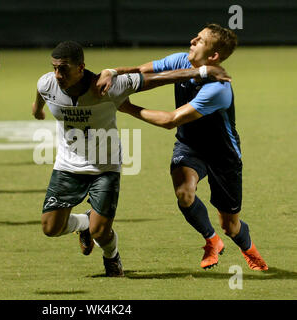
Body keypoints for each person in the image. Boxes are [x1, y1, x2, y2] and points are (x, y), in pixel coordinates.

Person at [33, 41, 230, 277]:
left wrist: (203, 71)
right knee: (50, 228)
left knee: (101, 233)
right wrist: (37, 109)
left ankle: (111, 257)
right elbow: (40, 96)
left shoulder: (108, 87)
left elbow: (158, 79)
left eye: (63, 69)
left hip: (105, 167)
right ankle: (84, 223)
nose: (57, 74)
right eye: (54, 67)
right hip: (67, 166)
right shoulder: (47, 83)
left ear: (81, 68)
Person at [97, 23, 268, 271]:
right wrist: (111, 71)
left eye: (199, 40)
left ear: (214, 56)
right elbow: (140, 71)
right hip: (189, 146)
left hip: (223, 156)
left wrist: (127, 107)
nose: (192, 40)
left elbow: (170, 120)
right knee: (184, 194)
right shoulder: (180, 60)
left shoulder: (217, 89)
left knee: (230, 225)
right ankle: (212, 241)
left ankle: (248, 248)